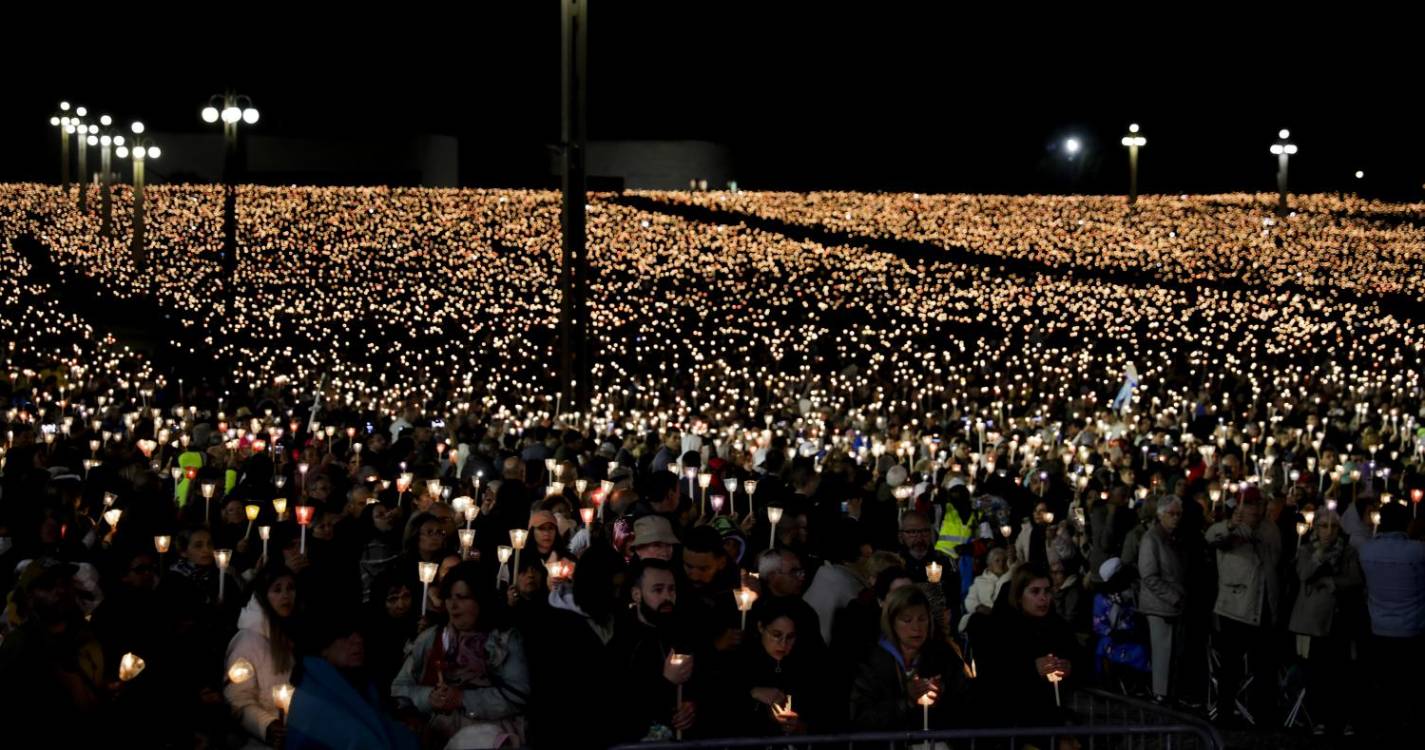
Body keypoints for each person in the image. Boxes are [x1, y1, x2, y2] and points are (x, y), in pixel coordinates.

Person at [391, 560, 530, 747]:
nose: (453, 605)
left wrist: (463, 699)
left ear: (481, 600)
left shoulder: (503, 641)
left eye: (462, 598)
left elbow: (517, 695)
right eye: (449, 597)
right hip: (435, 732)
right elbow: (399, 688)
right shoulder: (431, 638)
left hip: (488, 732)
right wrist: (428, 698)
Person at [285, 605, 419, 750]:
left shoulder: (357, 682)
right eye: (345, 635)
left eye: (360, 633)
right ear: (323, 646)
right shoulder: (313, 697)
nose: (358, 640)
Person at [1205, 491, 1282, 725]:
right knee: (1231, 667)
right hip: (1235, 608)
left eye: (1259, 504)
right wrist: (1231, 527)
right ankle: (1225, 713)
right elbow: (1213, 538)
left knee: (1264, 667)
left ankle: (1262, 714)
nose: (1256, 510)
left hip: (1264, 608)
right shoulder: (1228, 528)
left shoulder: (1271, 530)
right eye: (1250, 505)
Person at [975, 563, 1081, 727]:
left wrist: (1070, 666)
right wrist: (1032, 669)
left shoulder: (1058, 627)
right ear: (1019, 595)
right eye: (1035, 591)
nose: (1043, 598)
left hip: (1050, 715)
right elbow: (991, 674)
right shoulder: (999, 629)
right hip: (1011, 720)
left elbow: (1082, 660)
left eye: (1047, 591)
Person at [849, 585, 968, 731]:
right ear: (892, 622)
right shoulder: (872, 661)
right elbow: (862, 719)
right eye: (907, 620)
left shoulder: (943, 656)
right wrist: (906, 701)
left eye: (922, 619)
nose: (916, 628)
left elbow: (967, 706)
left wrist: (944, 693)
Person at [1287, 510, 1362, 736]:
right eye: (1324, 526)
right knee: (1315, 672)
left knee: (1339, 672)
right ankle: (1317, 718)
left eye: (1333, 527)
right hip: (1313, 621)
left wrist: (1332, 582)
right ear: (1316, 528)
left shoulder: (1347, 552)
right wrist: (1319, 555)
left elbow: (1355, 579)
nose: (1329, 531)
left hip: (1337, 620)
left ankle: (1339, 718)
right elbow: (1303, 573)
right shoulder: (1306, 550)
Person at [1357, 502, 1425, 734]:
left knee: (1383, 682)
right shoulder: (1417, 551)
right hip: (1411, 626)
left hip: (1379, 624)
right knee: (1408, 684)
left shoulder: (1367, 550)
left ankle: (1383, 727)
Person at [725, 596, 830, 736]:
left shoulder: (806, 666)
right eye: (776, 635)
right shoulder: (740, 660)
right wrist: (752, 692)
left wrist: (800, 727)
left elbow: (823, 714)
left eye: (790, 637)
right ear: (761, 627)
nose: (783, 644)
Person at [224, 564, 299, 749]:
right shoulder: (247, 641)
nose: (285, 595)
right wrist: (267, 725)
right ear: (263, 595)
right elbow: (238, 699)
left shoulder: (293, 634)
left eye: (290, 588)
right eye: (277, 589)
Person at [1138, 497, 1186, 704]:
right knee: (1162, 652)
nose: (1175, 518)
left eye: (1178, 514)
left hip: (1170, 604)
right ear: (1160, 515)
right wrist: (1173, 597)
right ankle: (1161, 694)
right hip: (1160, 605)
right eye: (1171, 514)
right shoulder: (1152, 539)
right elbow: (1148, 575)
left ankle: (1166, 693)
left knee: (1170, 653)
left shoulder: (1170, 538)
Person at [960, 546, 1010, 635]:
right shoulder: (979, 580)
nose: (1001, 563)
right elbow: (970, 599)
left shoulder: (1009, 580)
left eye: (1004, 560)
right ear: (990, 564)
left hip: (1003, 617)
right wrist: (978, 607)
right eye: (997, 561)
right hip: (983, 617)